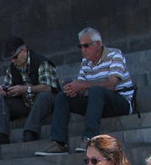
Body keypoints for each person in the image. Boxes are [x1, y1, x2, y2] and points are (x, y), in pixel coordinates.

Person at [36, 27, 135, 156]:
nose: (83, 50)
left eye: (86, 46)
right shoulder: (85, 62)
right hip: (97, 104)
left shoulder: (115, 55)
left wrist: (82, 85)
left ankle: (89, 138)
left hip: (120, 101)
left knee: (96, 91)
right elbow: (82, 88)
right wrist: (73, 89)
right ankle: (59, 143)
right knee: (62, 96)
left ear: (98, 44)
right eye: (80, 46)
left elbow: (112, 84)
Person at [0, 37, 59, 145]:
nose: (13, 61)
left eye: (15, 57)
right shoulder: (12, 67)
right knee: (1, 102)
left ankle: (30, 131)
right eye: (11, 58)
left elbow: (48, 87)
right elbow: (8, 84)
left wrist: (26, 89)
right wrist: (7, 91)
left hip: (46, 103)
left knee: (44, 96)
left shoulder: (42, 62)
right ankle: (0, 134)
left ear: (23, 51)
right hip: (25, 104)